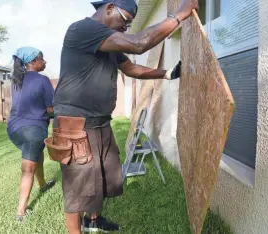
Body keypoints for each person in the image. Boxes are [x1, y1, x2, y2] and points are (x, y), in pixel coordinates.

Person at [53, 0, 198, 233]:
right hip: (75, 124)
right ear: (109, 8)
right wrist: (179, 15)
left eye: (129, 24)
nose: (126, 28)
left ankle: (94, 219)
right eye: (125, 21)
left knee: (103, 173)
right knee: (78, 185)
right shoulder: (82, 29)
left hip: (100, 121)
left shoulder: (109, 42)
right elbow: (140, 43)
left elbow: (131, 69)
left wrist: (167, 73)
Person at [7, 47, 56, 222]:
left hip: (13, 129)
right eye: (42, 59)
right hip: (33, 131)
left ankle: (42, 185)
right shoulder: (43, 80)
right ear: (33, 62)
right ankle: (21, 212)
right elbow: (51, 109)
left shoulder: (16, 81)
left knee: (36, 155)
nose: (45, 62)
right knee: (28, 169)